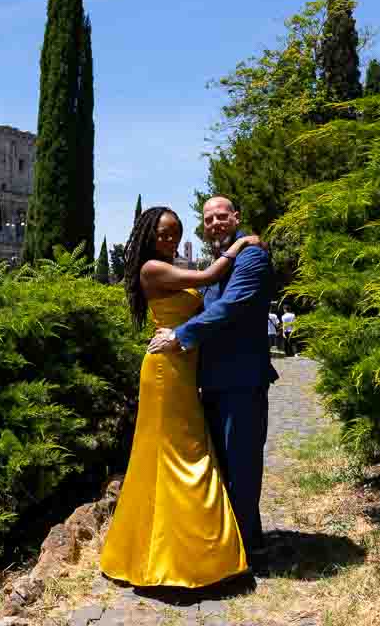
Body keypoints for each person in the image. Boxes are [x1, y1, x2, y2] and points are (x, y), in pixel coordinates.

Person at [100, 206, 262, 588]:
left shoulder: (168, 267)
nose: (170, 241)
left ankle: (174, 548)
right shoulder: (151, 269)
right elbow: (209, 275)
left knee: (177, 453)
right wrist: (240, 243)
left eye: (176, 233)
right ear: (147, 236)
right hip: (165, 371)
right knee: (182, 454)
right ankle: (185, 558)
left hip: (183, 370)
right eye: (163, 234)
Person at [147, 197, 278, 567]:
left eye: (222, 216)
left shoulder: (251, 257)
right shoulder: (222, 262)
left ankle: (250, 546)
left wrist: (180, 335)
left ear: (236, 217)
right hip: (209, 381)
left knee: (242, 466)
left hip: (240, 379)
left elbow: (230, 306)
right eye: (209, 219)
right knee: (217, 466)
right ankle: (225, 543)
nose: (216, 223)